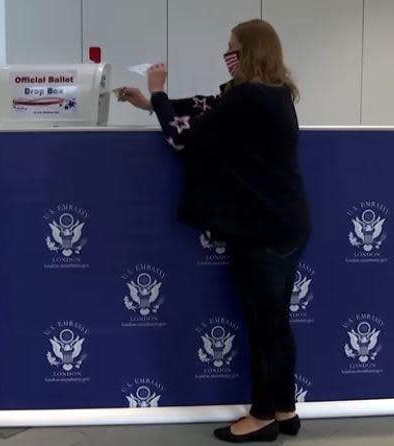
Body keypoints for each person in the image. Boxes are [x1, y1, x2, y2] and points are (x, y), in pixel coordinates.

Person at [119, 19, 311, 443]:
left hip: (262, 230)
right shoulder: (271, 92)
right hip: (284, 224)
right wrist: (153, 103)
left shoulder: (248, 97)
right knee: (275, 322)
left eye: (232, 48)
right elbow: (208, 105)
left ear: (250, 52)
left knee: (265, 326)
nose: (227, 55)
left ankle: (262, 416)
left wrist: (158, 90)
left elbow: (183, 138)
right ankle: (285, 408)